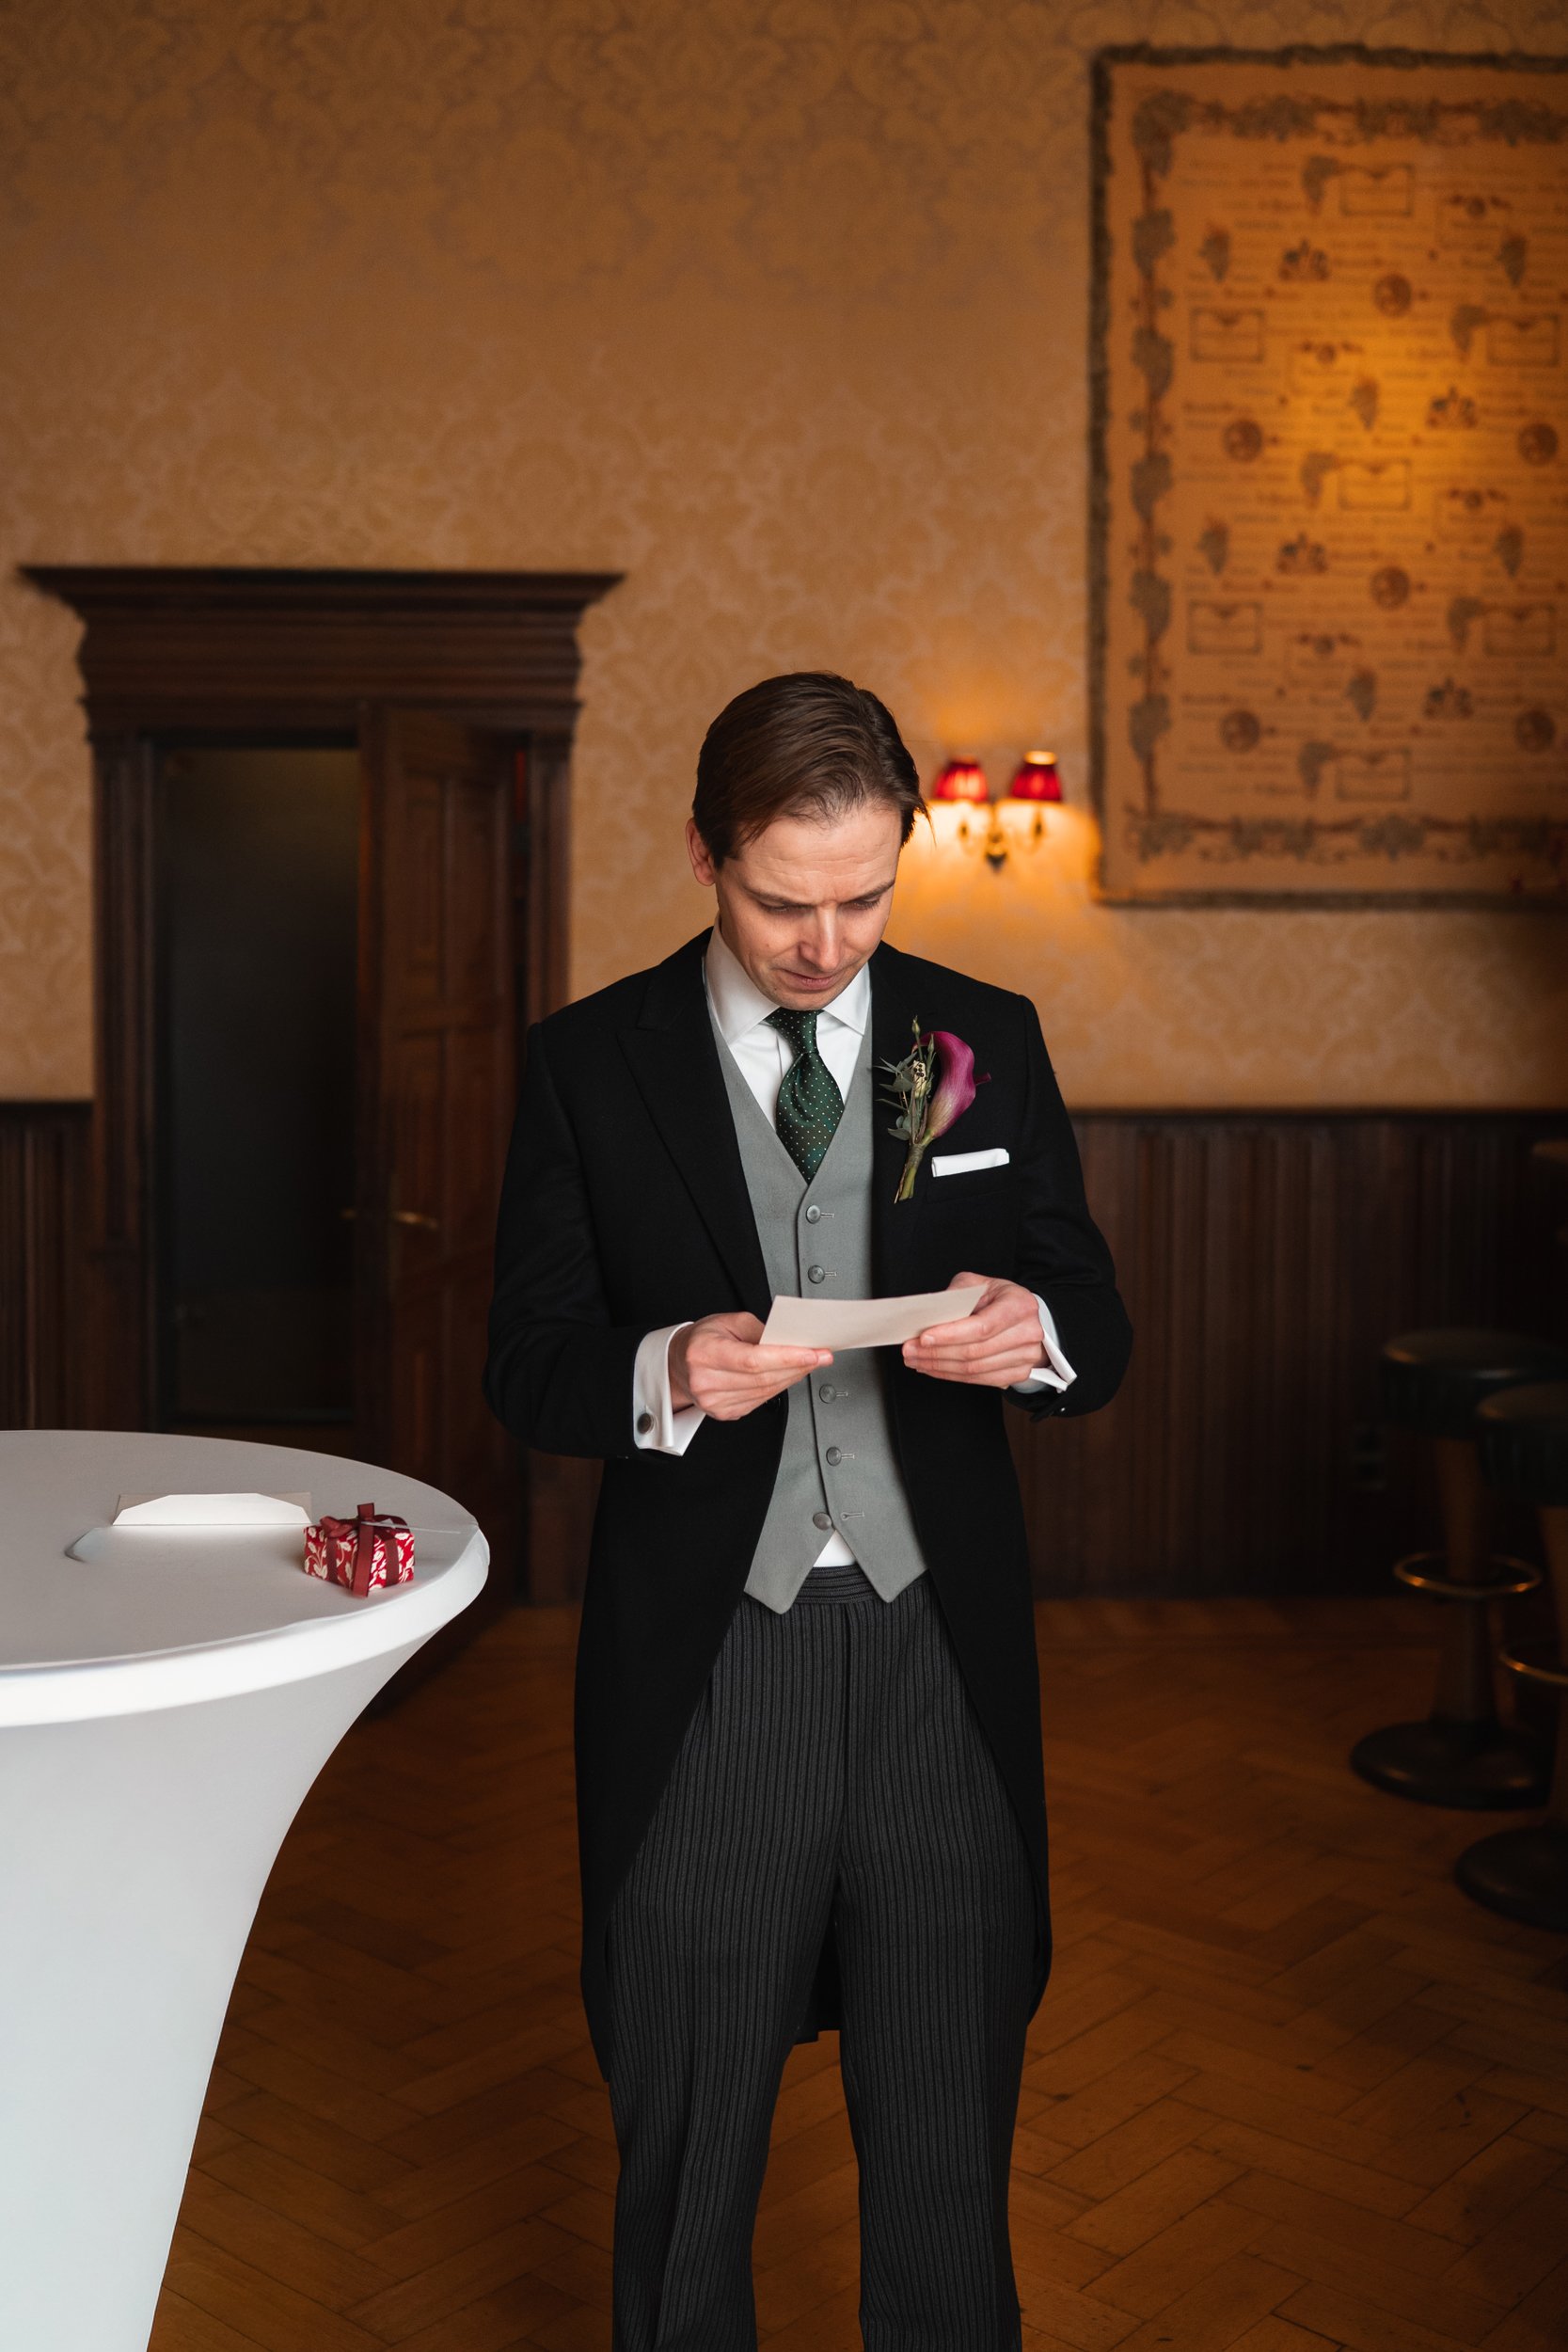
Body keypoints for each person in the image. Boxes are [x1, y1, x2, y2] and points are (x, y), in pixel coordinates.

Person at [484, 672, 1132, 2352]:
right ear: (705, 853)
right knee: (691, 2161)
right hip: (709, 1665)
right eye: (785, 901)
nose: (827, 942)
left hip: (939, 1655)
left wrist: (1031, 1332)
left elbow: (1091, 1311)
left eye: (865, 896)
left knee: (943, 2150)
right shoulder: (585, 1064)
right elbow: (528, 1363)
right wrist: (664, 1369)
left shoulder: (982, 1038)